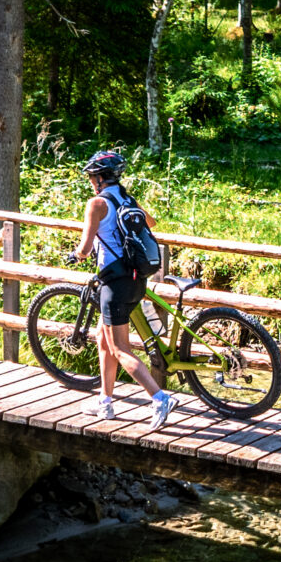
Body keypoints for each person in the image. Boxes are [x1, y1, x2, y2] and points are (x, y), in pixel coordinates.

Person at [71, 149, 175, 427]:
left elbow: (84, 248)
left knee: (120, 349)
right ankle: (105, 403)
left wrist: (77, 254)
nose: (91, 181)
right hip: (135, 280)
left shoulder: (97, 204)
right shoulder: (127, 199)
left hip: (114, 284)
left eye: (92, 176)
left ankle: (160, 398)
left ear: (99, 178)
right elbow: (150, 224)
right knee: (103, 340)